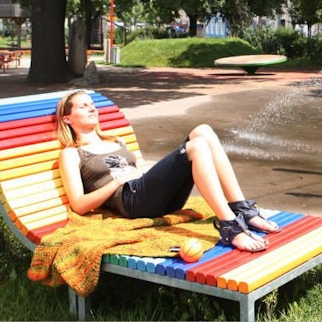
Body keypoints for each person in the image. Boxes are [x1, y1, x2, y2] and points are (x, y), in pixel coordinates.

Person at [55, 90, 278, 253]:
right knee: (195, 147)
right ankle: (230, 227)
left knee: (203, 131)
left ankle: (243, 210)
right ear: (67, 118)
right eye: (83, 106)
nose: (92, 108)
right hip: (132, 202)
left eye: (92, 104)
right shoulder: (72, 153)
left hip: (149, 195)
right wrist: (115, 183)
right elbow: (79, 204)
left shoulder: (115, 139)